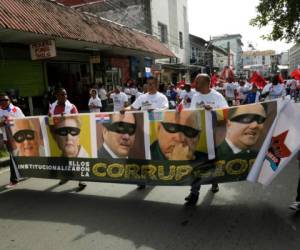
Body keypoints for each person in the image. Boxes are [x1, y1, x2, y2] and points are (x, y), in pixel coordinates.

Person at [185, 74, 228, 206]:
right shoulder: (196, 97)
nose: (194, 84)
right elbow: (191, 114)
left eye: (197, 82)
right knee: (197, 165)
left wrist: (213, 111)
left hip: (213, 137)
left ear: (206, 83)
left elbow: (226, 114)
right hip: (199, 138)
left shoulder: (217, 97)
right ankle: (194, 193)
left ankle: (214, 182)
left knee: (212, 163)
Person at [49, 88, 86, 190]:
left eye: (65, 95)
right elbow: (50, 120)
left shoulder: (71, 107)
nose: (64, 97)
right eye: (62, 95)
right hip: (60, 135)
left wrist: (67, 117)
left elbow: (78, 120)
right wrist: (55, 120)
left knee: (76, 157)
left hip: (71, 136)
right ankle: (66, 176)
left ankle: (82, 179)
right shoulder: (52, 107)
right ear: (57, 96)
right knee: (64, 158)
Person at [0, 92, 25, 188]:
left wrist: (12, 121)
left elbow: (23, 120)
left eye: (5, 100)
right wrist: (2, 123)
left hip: (18, 137)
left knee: (15, 157)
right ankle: (16, 178)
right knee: (13, 157)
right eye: (1, 100)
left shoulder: (15, 109)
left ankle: (14, 179)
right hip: (7, 139)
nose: (3, 102)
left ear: (9, 100)